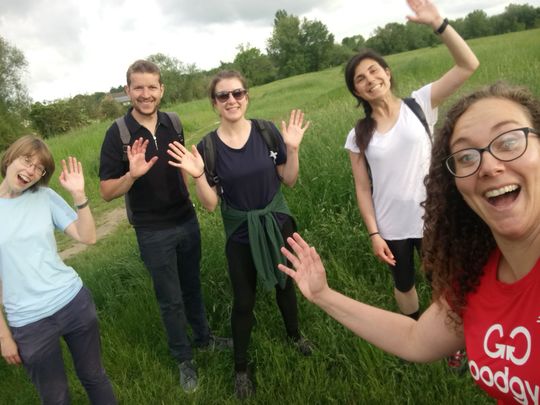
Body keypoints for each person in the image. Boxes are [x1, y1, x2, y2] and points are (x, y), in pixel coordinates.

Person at [279, 82, 540, 403]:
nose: (489, 166)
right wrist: (323, 294)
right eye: (467, 156)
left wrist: (441, 27)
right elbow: (415, 338)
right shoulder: (477, 273)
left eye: (510, 140)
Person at [166, 70, 312, 399]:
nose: (231, 100)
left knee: (286, 284)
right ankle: (241, 369)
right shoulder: (208, 147)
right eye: (223, 96)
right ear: (214, 104)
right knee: (244, 300)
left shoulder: (267, 132)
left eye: (237, 93)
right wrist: (200, 175)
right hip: (240, 232)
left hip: (277, 222)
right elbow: (209, 204)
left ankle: (294, 336)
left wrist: (293, 149)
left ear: (246, 97)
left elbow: (288, 180)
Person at [344, 0, 479, 329]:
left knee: (441, 278)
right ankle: (416, 329)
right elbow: (363, 188)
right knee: (403, 283)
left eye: (374, 70)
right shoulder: (358, 134)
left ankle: (449, 335)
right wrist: (374, 233)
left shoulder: (420, 104)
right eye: (360, 78)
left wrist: (439, 23)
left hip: (432, 215)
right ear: (356, 91)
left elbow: (467, 65)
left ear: (387, 73)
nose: (370, 79)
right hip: (391, 227)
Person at [98, 59, 230, 394]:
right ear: (127, 91)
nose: (145, 94)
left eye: (151, 87)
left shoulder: (174, 122)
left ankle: (204, 339)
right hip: (152, 231)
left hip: (186, 219)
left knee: (192, 287)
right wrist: (132, 175)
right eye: (138, 88)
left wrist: (189, 184)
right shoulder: (119, 134)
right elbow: (106, 192)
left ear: (162, 90)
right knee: (170, 299)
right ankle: (184, 359)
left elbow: (179, 166)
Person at [0, 135, 116, 404]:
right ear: (10, 158)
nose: (31, 171)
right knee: (55, 397)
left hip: (73, 302)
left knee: (94, 377)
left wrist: (79, 196)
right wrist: (4, 336)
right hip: (29, 322)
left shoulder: (45, 197)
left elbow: (87, 237)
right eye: (27, 161)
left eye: (39, 168)